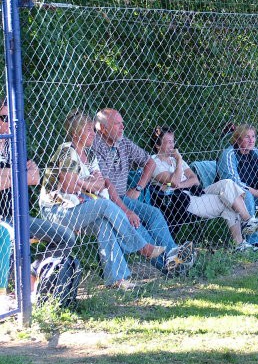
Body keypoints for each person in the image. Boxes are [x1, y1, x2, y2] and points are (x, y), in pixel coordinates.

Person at [40, 111, 166, 289]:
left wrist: (82, 183)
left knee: (104, 224)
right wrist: (88, 184)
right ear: (76, 134)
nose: (93, 134)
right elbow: (69, 187)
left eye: (92, 130)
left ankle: (117, 279)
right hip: (57, 210)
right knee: (105, 205)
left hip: (80, 207)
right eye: (88, 131)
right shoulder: (67, 151)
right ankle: (143, 247)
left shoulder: (90, 155)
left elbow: (102, 184)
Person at [92, 108, 193, 273]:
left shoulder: (122, 142)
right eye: (117, 124)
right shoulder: (95, 146)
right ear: (102, 128)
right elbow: (106, 183)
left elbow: (149, 163)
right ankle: (170, 266)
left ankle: (173, 254)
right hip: (105, 200)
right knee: (136, 223)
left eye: (122, 123)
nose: (122, 127)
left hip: (123, 197)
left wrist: (139, 188)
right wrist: (127, 211)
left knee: (154, 214)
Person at [0, 100, 76, 304]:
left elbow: (35, 176)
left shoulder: (12, 145)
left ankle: (35, 272)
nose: (8, 124)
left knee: (66, 237)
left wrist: (13, 175)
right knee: (14, 240)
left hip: (19, 215)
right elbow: (21, 176)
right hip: (3, 220)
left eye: (9, 118)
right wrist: (20, 174)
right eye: (4, 118)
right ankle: (17, 293)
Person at [150, 126, 258, 252]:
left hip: (194, 193)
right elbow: (174, 181)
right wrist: (179, 161)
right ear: (158, 145)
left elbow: (194, 179)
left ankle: (246, 225)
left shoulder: (173, 159)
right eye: (169, 142)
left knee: (227, 185)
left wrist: (178, 184)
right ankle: (242, 237)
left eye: (173, 141)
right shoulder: (155, 162)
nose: (173, 145)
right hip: (180, 200)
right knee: (228, 202)